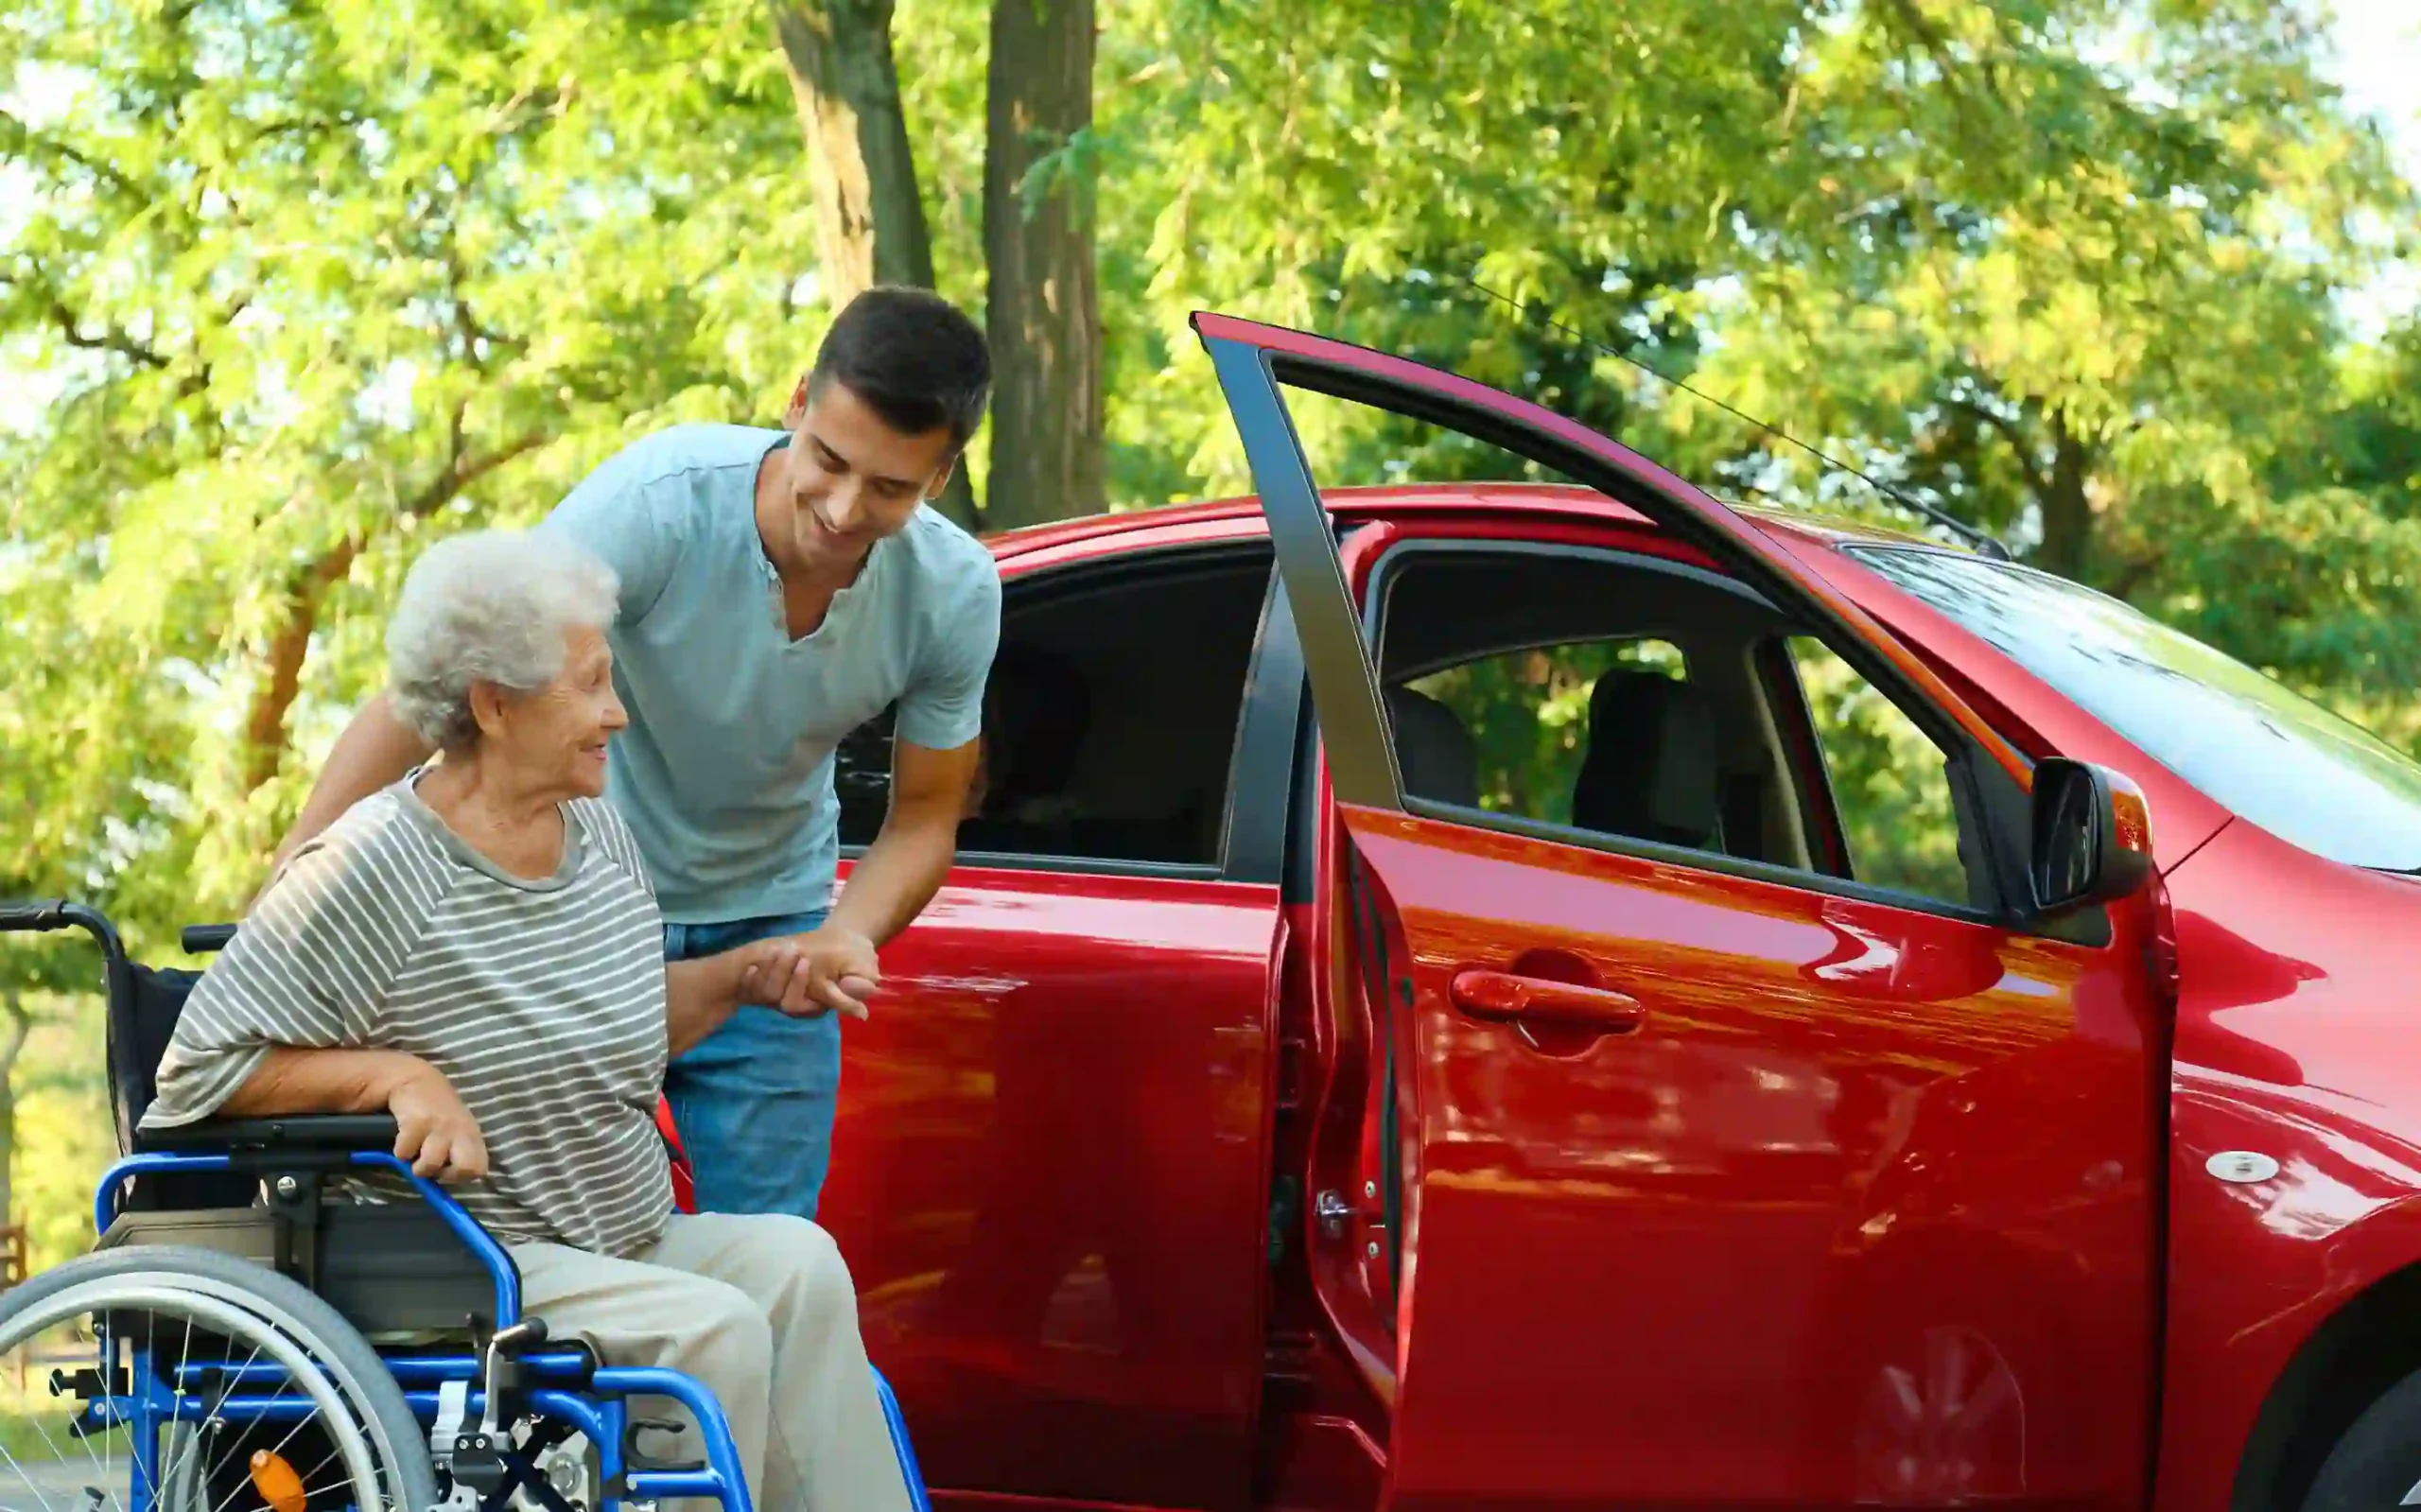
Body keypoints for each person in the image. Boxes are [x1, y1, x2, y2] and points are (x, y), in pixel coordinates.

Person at [146, 530, 913, 1512]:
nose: (618, 714)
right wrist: (393, 1078)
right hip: (477, 1261)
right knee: (712, 1327)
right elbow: (197, 1073)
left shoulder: (593, 827)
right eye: (591, 685)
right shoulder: (376, 868)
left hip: (619, 1234)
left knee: (801, 1267)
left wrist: (751, 975)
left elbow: (606, 1032)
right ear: (493, 704)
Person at [265, 287, 1001, 1221]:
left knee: (776, 1256)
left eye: (890, 488)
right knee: (538, 1244)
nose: (845, 508)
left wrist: (844, 935)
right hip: (573, 918)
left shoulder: (952, 593)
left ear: (939, 480)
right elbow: (454, 683)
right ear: (798, 400)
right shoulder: (658, 507)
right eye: (829, 461)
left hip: (765, 930)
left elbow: (926, 814)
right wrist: (301, 865)